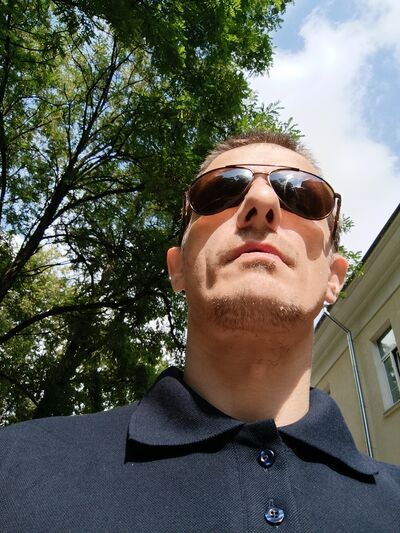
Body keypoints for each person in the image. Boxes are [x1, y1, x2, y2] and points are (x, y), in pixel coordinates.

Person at [1, 130, 399, 532]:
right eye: (221, 189)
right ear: (177, 268)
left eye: (302, 194)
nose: (261, 200)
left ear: (334, 278)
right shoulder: (14, 469)